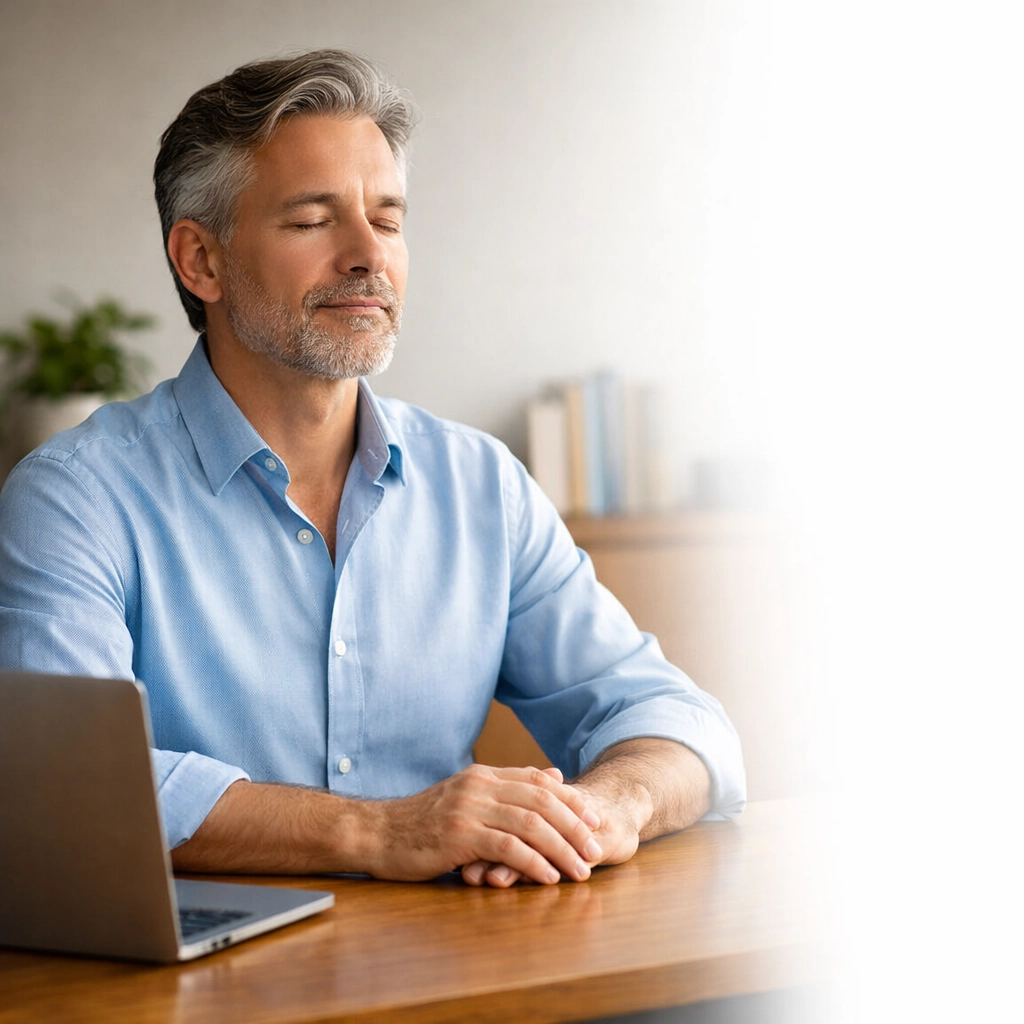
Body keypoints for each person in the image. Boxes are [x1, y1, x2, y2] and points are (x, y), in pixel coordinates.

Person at [0, 50, 744, 888]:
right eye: (314, 220)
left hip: (457, 974)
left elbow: (678, 722)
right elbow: (63, 786)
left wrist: (606, 810)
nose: (367, 255)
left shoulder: (482, 486)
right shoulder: (73, 498)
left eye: (387, 220)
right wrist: (382, 832)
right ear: (200, 261)